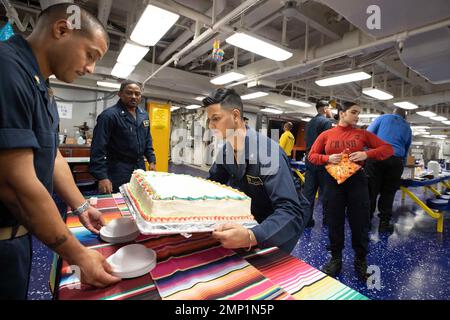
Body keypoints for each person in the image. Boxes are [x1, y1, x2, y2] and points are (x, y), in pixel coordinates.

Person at [0, 3, 120, 299]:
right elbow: (16, 185)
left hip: (20, 236)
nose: (91, 68)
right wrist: (77, 254)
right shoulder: (6, 69)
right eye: (91, 55)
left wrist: (81, 207)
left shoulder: (42, 88)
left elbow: (51, 155)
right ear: (62, 30)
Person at [203, 88, 307, 253]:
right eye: (209, 120)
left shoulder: (268, 153)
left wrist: (252, 236)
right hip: (254, 213)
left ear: (235, 116)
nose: (210, 126)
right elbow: (213, 184)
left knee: (267, 269)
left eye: (215, 119)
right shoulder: (226, 151)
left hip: (281, 223)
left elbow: (290, 211)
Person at [308, 101, 393, 280]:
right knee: (334, 220)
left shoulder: (362, 134)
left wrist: (366, 154)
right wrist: (327, 157)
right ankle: (336, 259)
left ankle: (360, 260)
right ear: (342, 113)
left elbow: (388, 149)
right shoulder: (326, 134)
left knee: (360, 221)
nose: (357, 116)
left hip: (357, 181)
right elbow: (312, 156)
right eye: (354, 112)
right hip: (333, 181)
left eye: (358, 113)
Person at [89, 81, 156, 193]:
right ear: (120, 94)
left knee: (140, 198)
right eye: (129, 93)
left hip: (139, 167)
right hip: (118, 169)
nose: (134, 97)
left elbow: (147, 139)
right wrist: (102, 177)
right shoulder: (109, 116)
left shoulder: (143, 115)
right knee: (120, 202)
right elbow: (98, 148)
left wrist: (152, 160)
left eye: (137, 94)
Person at [365, 108, 412, 233]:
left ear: (393, 112)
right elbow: (406, 148)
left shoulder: (383, 118)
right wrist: (400, 164)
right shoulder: (407, 127)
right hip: (396, 160)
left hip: (377, 157)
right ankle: (384, 224)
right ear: (405, 117)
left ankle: (366, 222)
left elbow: (368, 134)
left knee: (371, 190)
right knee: (388, 193)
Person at [303, 100, 334, 227]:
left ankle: (306, 220)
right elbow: (329, 143)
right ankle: (327, 221)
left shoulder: (309, 123)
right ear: (325, 109)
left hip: (310, 159)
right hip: (322, 160)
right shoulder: (326, 122)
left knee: (308, 193)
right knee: (326, 192)